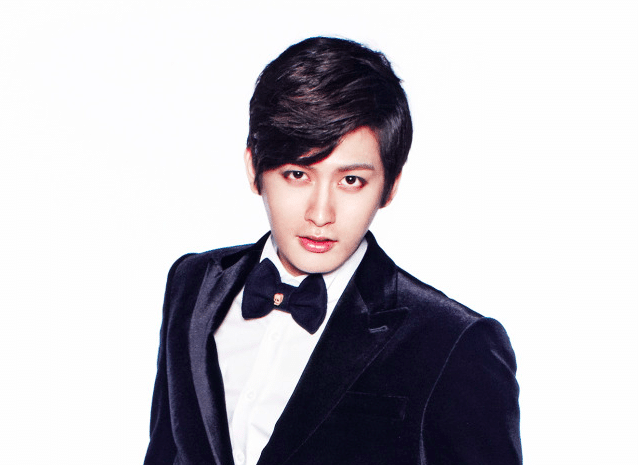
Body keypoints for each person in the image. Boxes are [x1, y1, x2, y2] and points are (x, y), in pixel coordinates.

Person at [144, 36, 521, 465]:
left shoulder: (456, 343)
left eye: (351, 181)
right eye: (297, 174)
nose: (320, 213)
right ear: (254, 169)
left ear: (390, 186)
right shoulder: (193, 283)